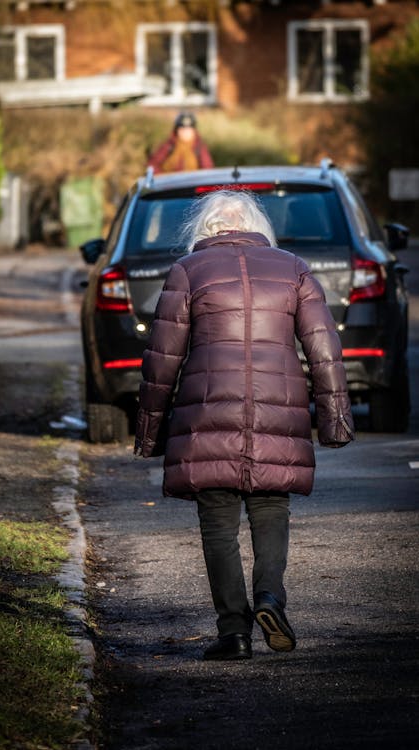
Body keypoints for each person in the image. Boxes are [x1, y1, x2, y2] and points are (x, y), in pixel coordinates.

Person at [134, 190, 355, 662]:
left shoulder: (187, 272)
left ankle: (233, 632)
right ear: (255, 225)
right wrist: (334, 422)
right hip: (279, 407)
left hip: (208, 411)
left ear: (206, 229)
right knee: (271, 509)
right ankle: (270, 599)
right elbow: (323, 349)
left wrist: (150, 432)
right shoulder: (292, 267)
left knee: (217, 521)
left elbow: (162, 359)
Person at [147, 112, 214, 174]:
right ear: (176, 130)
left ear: (194, 130)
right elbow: (153, 164)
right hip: (170, 184)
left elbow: (207, 169)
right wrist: (163, 177)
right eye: (182, 129)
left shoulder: (199, 147)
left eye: (188, 129)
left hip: (193, 184)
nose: (185, 132)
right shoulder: (169, 145)